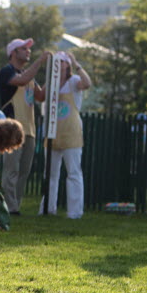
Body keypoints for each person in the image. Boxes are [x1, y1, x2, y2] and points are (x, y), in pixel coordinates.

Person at [0, 38, 49, 214]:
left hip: (29, 129)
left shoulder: (28, 75)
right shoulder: (7, 71)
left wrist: (55, 75)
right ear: (13, 53)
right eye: (24, 49)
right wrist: (40, 61)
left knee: (23, 172)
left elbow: (40, 96)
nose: (28, 51)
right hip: (12, 129)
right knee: (11, 170)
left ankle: (15, 205)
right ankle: (9, 207)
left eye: (29, 49)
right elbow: (21, 80)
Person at [40, 51, 92, 218]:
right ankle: (47, 209)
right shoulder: (51, 83)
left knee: (73, 173)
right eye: (57, 61)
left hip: (71, 133)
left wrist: (77, 64)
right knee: (50, 174)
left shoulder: (74, 81)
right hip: (52, 133)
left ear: (67, 64)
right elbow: (41, 97)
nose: (59, 64)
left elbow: (87, 83)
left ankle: (75, 212)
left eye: (62, 61)